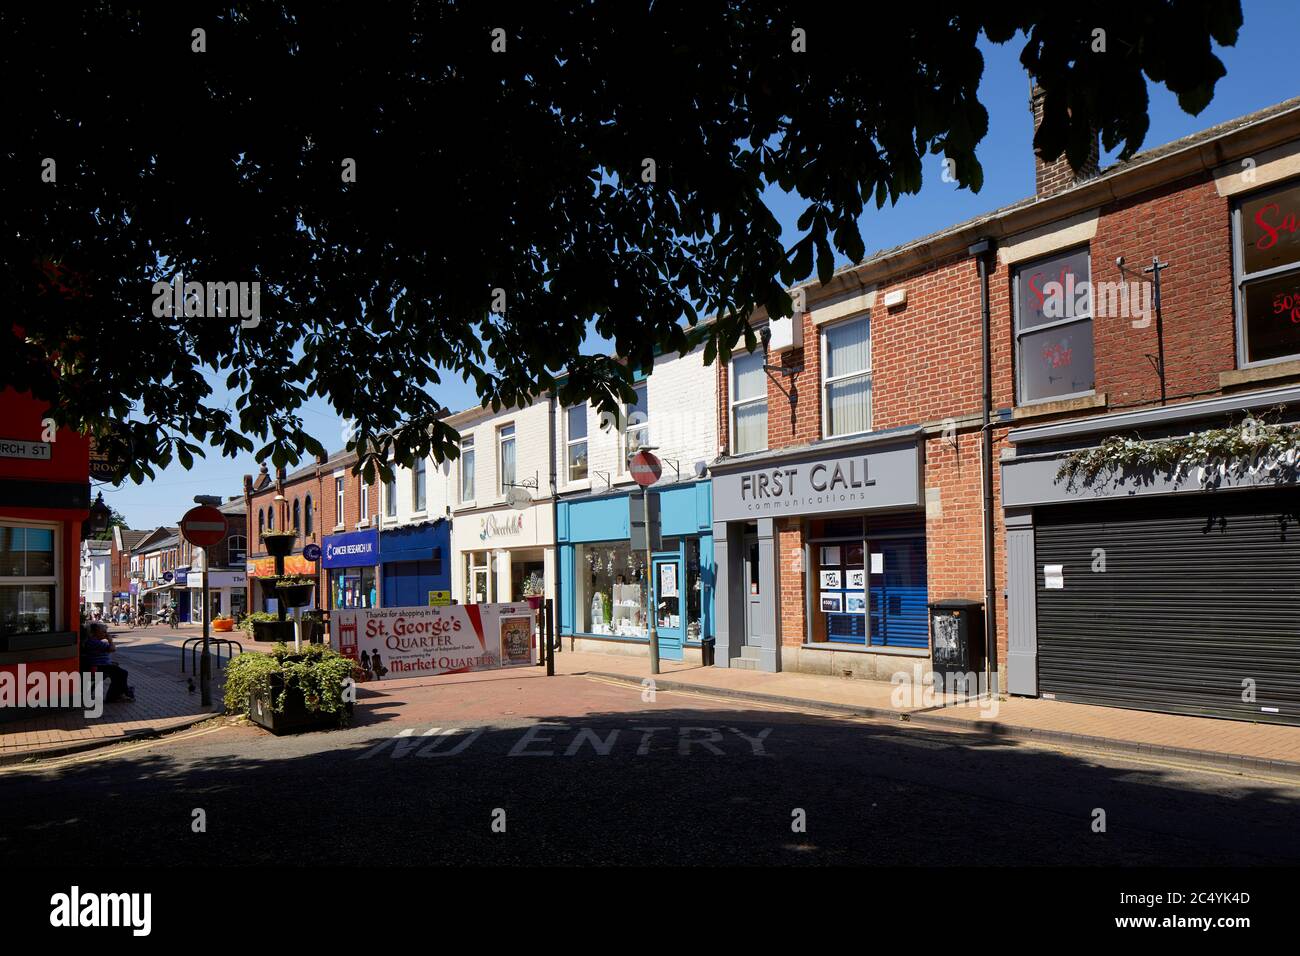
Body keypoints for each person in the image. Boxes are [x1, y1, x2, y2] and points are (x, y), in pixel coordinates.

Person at [81, 622, 134, 703]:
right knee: (122, 673)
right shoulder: (95, 642)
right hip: (98, 667)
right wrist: (110, 640)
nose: (105, 634)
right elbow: (112, 649)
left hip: (100, 665)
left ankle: (121, 693)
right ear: (95, 633)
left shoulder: (93, 641)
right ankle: (118, 694)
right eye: (103, 632)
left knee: (117, 673)